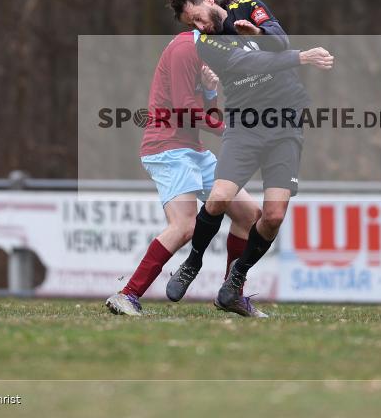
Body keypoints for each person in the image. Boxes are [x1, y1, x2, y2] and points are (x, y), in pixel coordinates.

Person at [165, 0, 334, 316]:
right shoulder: (206, 43)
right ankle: (193, 262)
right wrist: (298, 58)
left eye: (198, 17)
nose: (199, 26)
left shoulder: (249, 8)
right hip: (245, 124)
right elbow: (249, 64)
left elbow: (279, 38)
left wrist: (260, 36)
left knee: (273, 216)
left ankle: (237, 277)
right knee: (219, 197)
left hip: (285, 123)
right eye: (192, 25)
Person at [105, 28, 266, 317]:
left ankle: (231, 295)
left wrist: (209, 90)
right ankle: (127, 294)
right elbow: (184, 111)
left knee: (249, 215)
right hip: (167, 149)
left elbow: (206, 114)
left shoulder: (204, 53)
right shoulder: (184, 48)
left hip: (193, 150)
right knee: (184, 226)